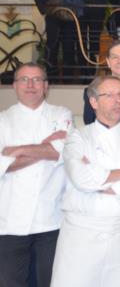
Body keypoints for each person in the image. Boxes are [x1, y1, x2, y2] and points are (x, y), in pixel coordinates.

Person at [51, 75, 120, 287]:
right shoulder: (78, 137)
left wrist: (100, 177)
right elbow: (81, 178)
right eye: (110, 95)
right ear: (93, 102)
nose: (118, 100)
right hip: (81, 234)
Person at [0, 63, 73, 287]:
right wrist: (46, 149)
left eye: (37, 79)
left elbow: (65, 151)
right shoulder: (2, 120)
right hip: (10, 220)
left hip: (51, 218)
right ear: (14, 85)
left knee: (51, 281)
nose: (30, 85)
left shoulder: (62, 114)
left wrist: (17, 150)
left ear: (46, 85)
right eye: (24, 79)